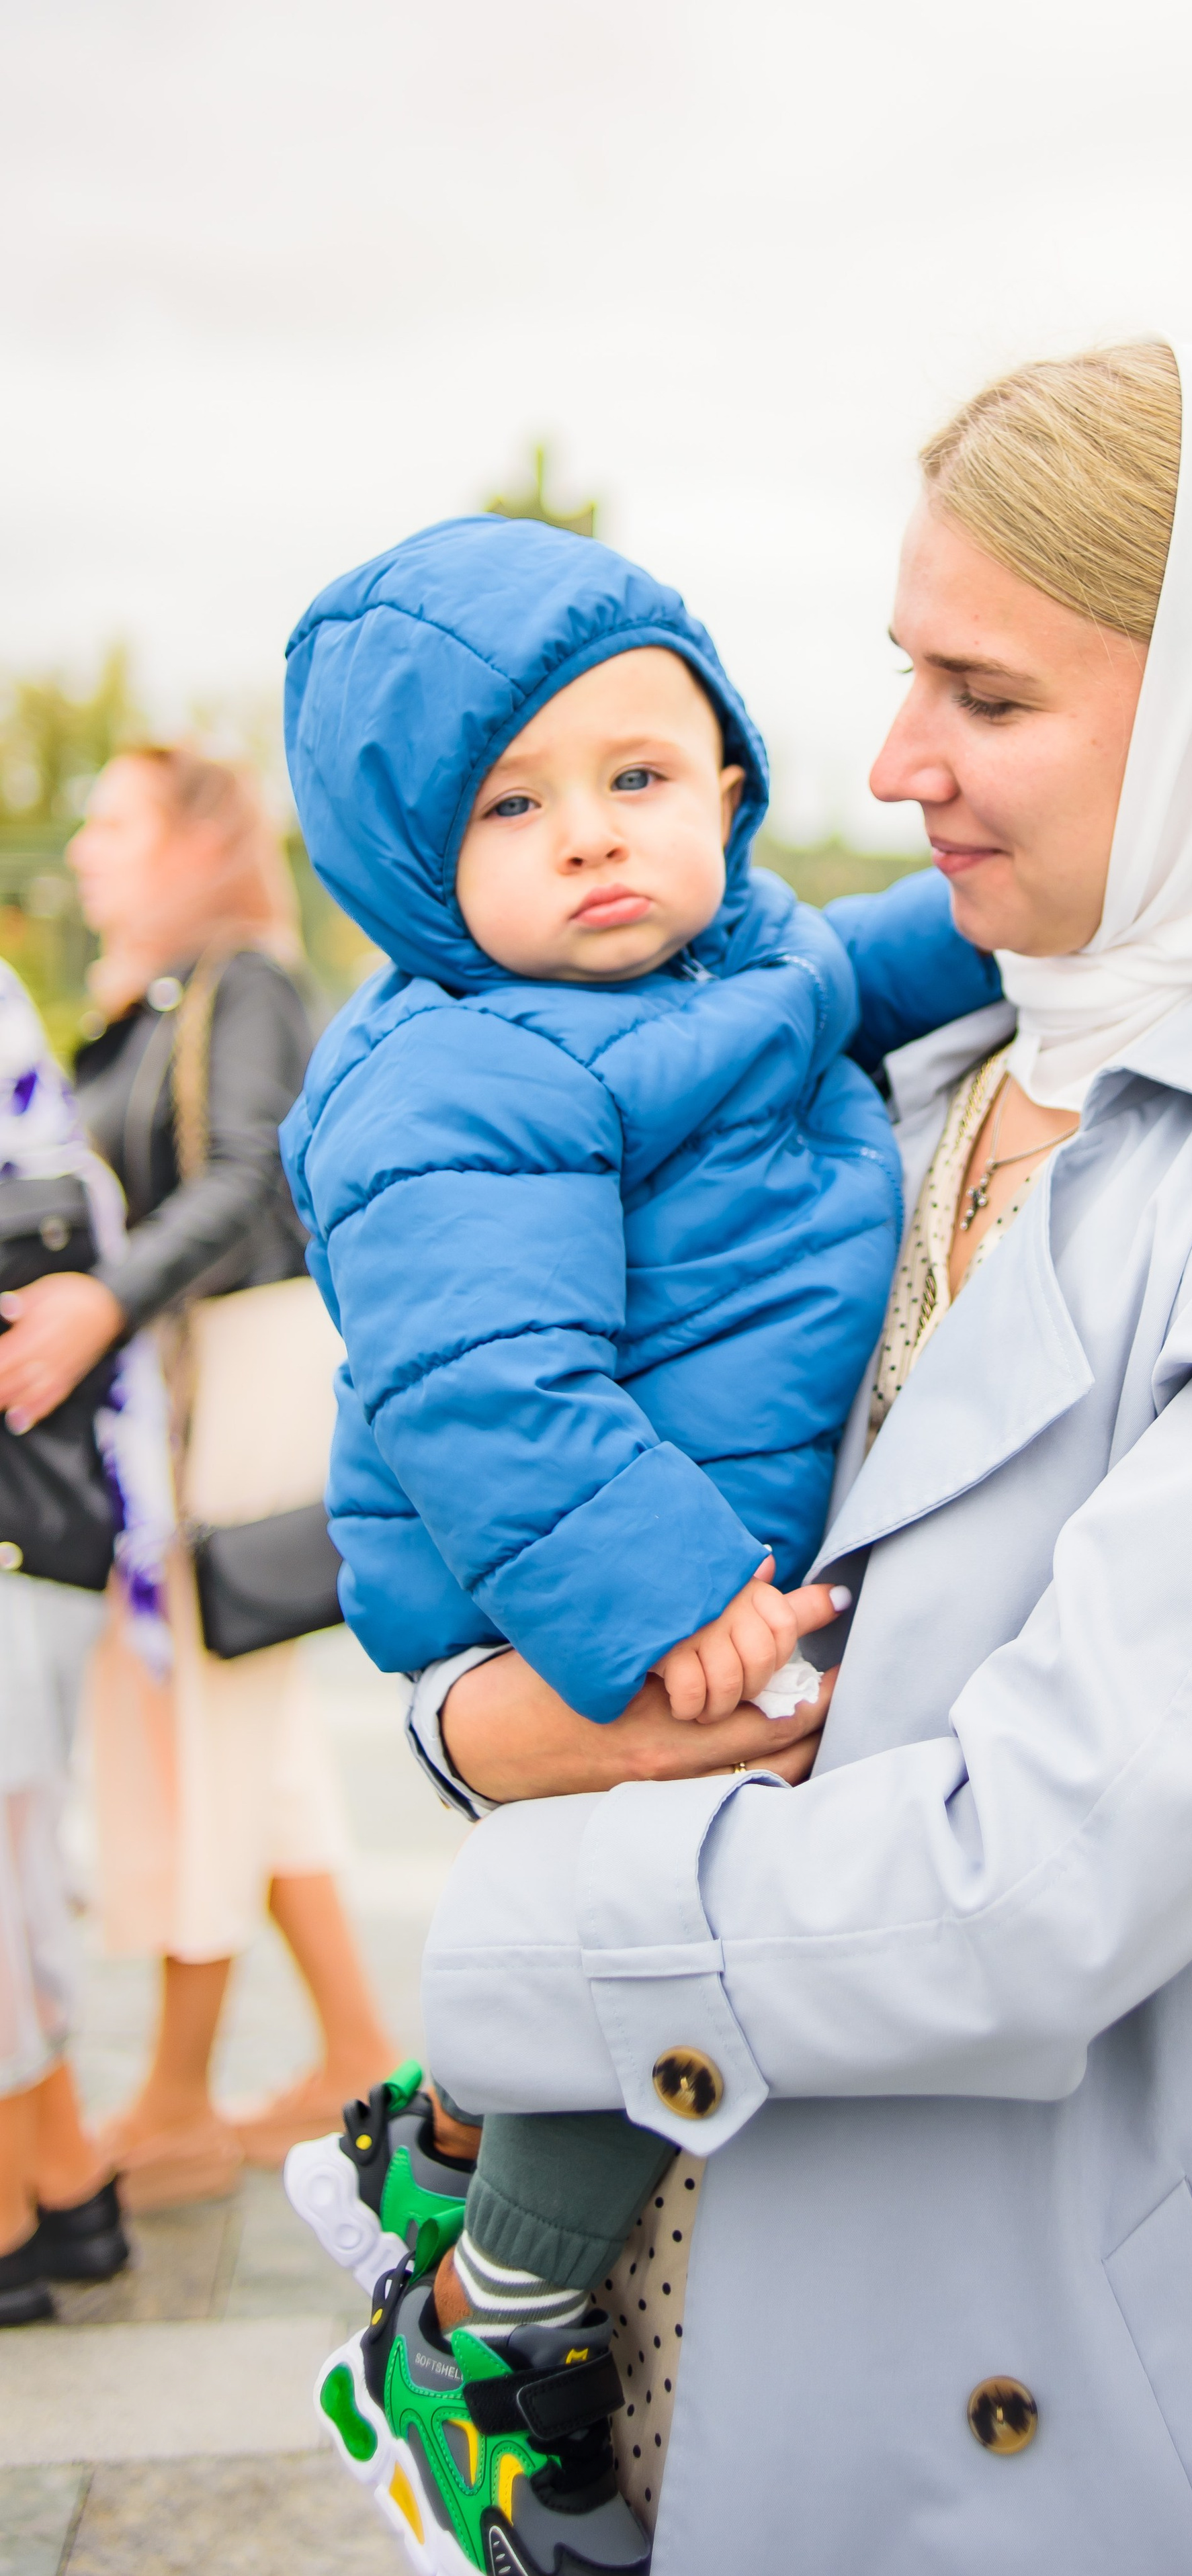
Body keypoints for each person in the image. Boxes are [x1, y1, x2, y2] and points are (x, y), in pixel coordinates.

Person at [347, 340, 1192, 2576]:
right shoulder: (924, 1074)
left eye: (984, 695)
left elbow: (1036, 1883)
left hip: (1068, 2362)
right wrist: (466, 1719)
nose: (895, 760)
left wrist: (509, 1905)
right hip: (695, 2288)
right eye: (906, 673)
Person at [275, 518, 998, 2569]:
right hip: (567, 1583)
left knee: (654, 1912)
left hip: (682, 1557)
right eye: (509, 808)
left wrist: (1068, 909)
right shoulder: (449, 1078)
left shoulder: (748, 960)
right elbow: (488, 1383)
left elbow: (889, 953)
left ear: (729, 788)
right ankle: (485, 2328)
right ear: (410, 865)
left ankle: (433, 2143)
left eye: (640, 777)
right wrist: (664, 1592)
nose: (593, 835)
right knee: (668, 1930)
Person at [0, 745, 394, 2205]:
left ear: (192, 844)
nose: (84, 850)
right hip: (195, 1370)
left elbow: (248, 1174)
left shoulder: (245, 982)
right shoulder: (159, 997)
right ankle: (353, 2043)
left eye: (114, 823)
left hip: (240, 1367)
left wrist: (102, 1305)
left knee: (205, 1732)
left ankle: (175, 2094)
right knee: (252, 1738)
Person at [0, 965, 138, 2323]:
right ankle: (64, 2180)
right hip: (45, 1518)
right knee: (17, 1869)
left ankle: (19, 2206)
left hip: (24, 1521)